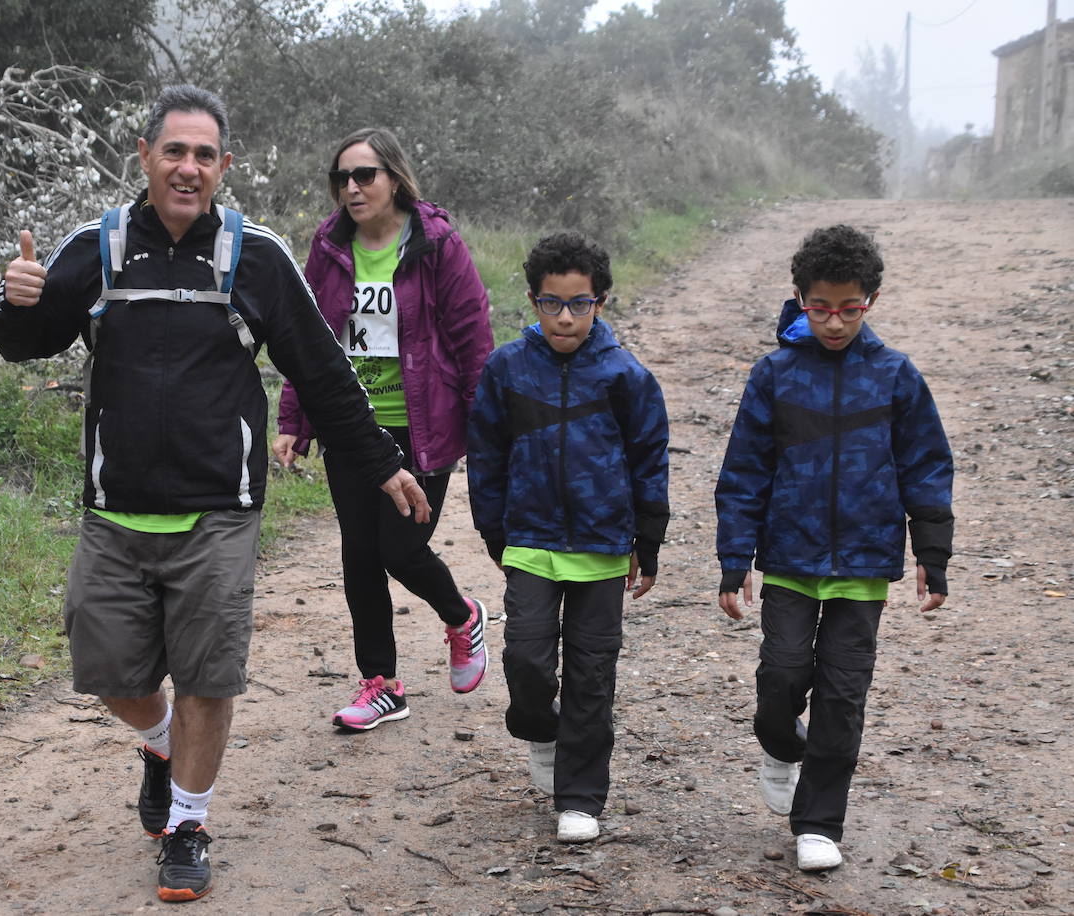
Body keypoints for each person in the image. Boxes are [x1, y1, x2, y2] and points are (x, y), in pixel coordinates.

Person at [0, 85, 430, 903]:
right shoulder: (101, 246)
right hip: (112, 510)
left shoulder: (255, 257)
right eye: (173, 151)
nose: (188, 168)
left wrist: (380, 461)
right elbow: (28, 341)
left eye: (204, 155)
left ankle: (188, 823)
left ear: (224, 166)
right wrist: (16, 301)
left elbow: (324, 375)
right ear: (145, 157)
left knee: (208, 677)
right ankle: (158, 744)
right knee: (106, 669)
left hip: (218, 511)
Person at [715, 225, 953, 872]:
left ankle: (819, 821)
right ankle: (776, 741)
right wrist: (734, 561)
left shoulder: (898, 378)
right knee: (783, 674)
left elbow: (926, 468)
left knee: (843, 694)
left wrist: (933, 553)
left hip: (865, 567)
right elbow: (743, 473)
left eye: (851, 308)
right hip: (789, 561)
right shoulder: (774, 376)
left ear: (870, 300)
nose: (835, 321)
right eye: (821, 307)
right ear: (800, 297)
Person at [273, 127, 494, 731]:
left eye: (364, 175)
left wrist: (488, 431)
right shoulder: (330, 245)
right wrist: (296, 419)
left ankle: (462, 615)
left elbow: (474, 342)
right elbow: (309, 339)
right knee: (359, 557)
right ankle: (381, 684)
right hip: (352, 427)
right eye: (342, 177)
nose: (351, 187)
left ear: (394, 178)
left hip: (421, 427)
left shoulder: (437, 245)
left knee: (400, 550)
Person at [467, 232, 669, 844]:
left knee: (591, 674)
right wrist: (494, 530)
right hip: (528, 541)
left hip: (605, 548)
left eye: (578, 303)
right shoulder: (506, 369)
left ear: (600, 302)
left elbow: (649, 460)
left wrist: (647, 540)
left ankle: (580, 796)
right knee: (526, 658)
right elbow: (485, 454)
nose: (564, 316)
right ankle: (537, 726)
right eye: (551, 302)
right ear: (532, 300)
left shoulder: (625, 376)